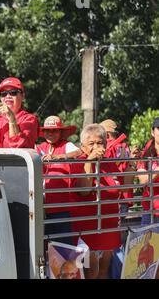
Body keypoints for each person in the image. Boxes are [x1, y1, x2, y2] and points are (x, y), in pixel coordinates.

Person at [71, 124, 136, 279]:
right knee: (90, 272)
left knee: (103, 271)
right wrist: (90, 160)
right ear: (83, 146)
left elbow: (125, 187)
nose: (96, 147)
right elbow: (84, 190)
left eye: (99, 143)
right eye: (91, 144)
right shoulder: (77, 162)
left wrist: (132, 163)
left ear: (106, 145)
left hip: (109, 227)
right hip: (87, 230)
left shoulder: (109, 163)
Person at [35, 116, 82, 244]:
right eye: (47, 130)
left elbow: (78, 152)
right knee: (43, 243)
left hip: (61, 206)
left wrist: (57, 157)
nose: (50, 133)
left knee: (63, 244)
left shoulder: (66, 145)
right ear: (43, 132)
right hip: (41, 205)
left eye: (54, 130)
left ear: (61, 132)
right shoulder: (39, 147)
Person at [137, 117, 159, 225]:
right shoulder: (146, 154)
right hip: (150, 211)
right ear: (153, 132)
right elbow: (143, 181)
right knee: (147, 242)